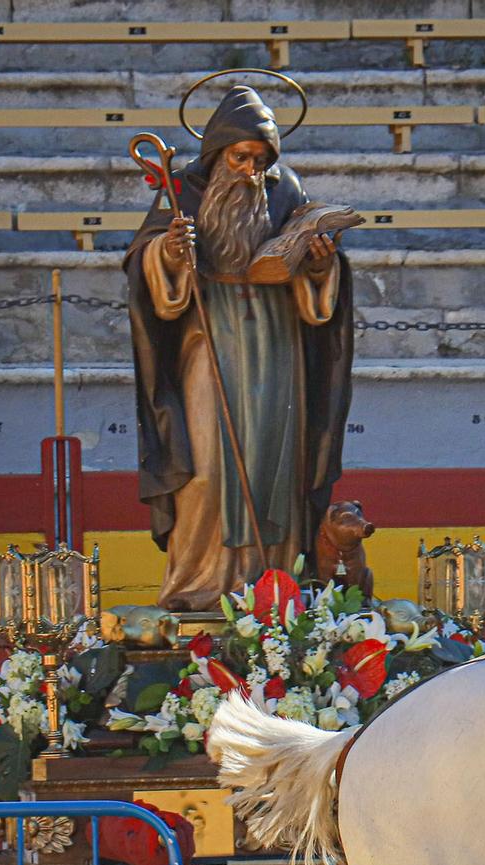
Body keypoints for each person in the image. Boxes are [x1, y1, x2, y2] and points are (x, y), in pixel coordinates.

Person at [125, 85, 357, 611]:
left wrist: (318, 260)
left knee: (276, 465)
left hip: (278, 343)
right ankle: (201, 585)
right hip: (207, 339)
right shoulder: (181, 190)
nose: (252, 169)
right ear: (217, 152)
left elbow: (318, 288)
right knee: (206, 466)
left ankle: (272, 591)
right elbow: (146, 268)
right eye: (241, 156)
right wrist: (169, 251)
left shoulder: (286, 189)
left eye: (261, 159)